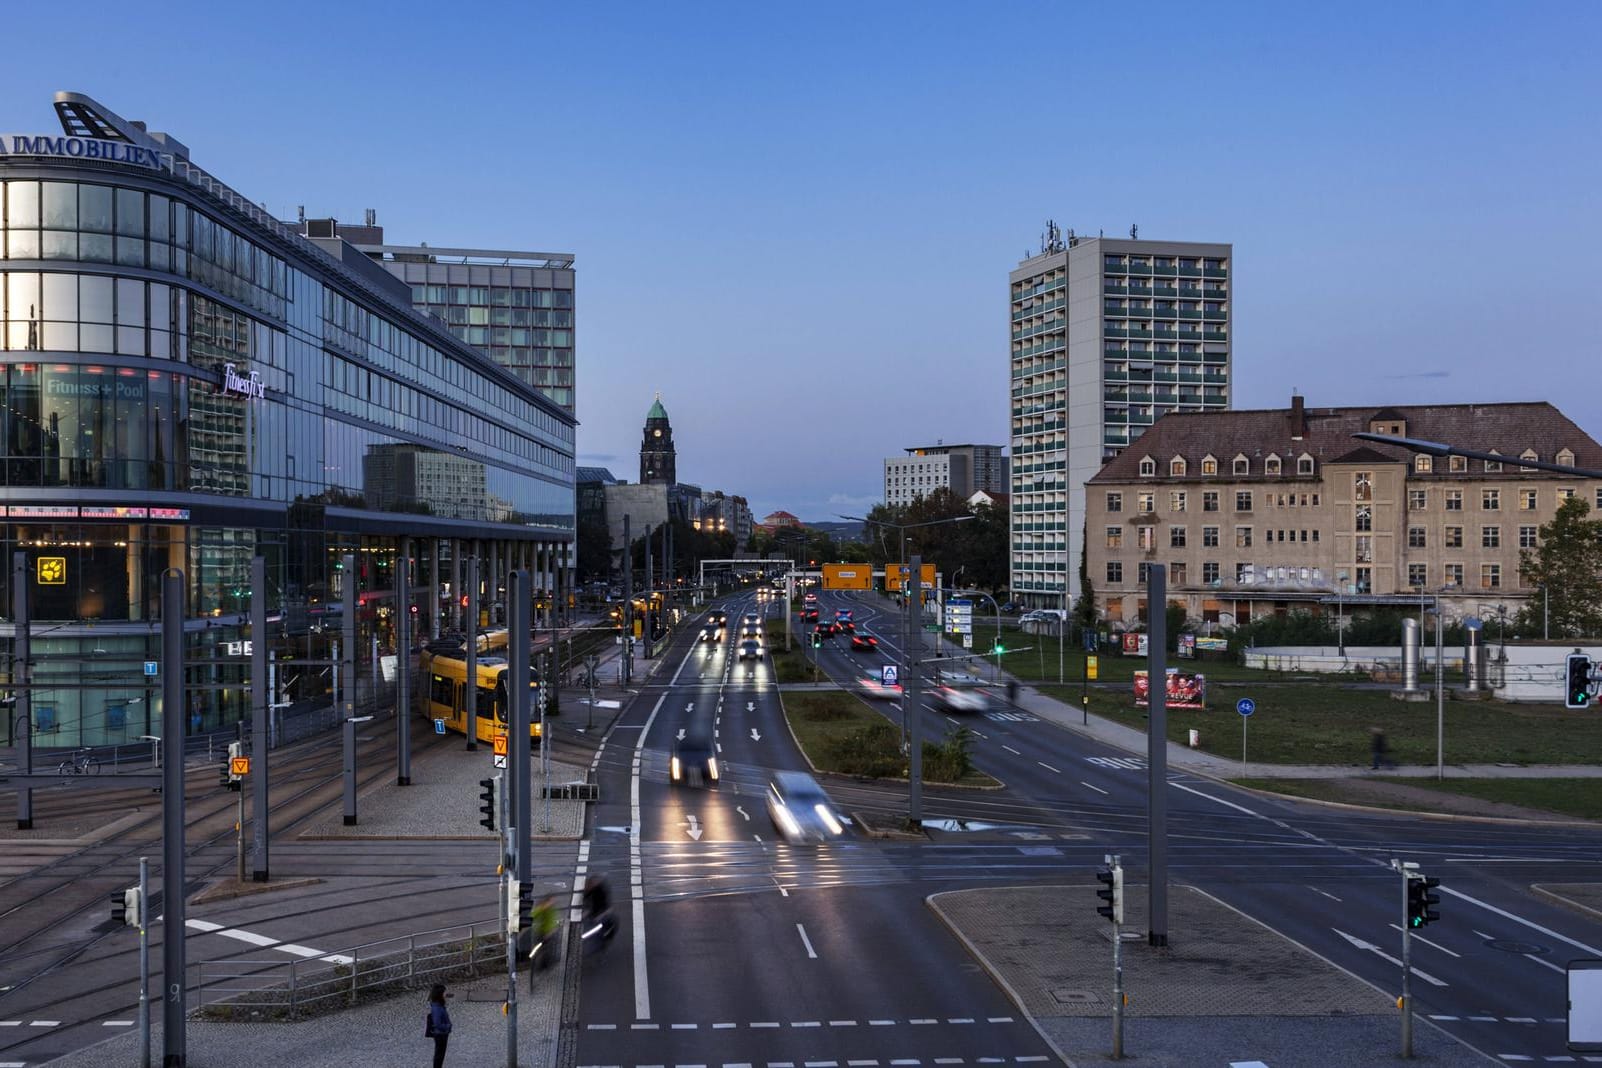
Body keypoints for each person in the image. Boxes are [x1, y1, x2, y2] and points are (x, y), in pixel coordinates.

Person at [425, 983, 452, 1067]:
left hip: (441, 1033)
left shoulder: (438, 1006)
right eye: (444, 992)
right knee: (439, 1055)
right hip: (440, 1034)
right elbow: (437, 1023)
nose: (445, 994)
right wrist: (448, 1026)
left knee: (440, 1054)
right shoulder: (437, 1008)